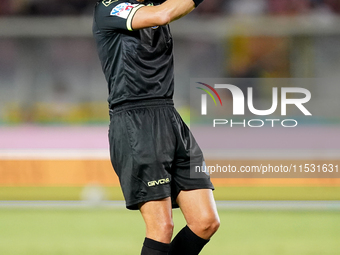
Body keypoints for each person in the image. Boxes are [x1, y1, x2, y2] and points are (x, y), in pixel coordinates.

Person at [92, 0, 220, 254]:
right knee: (162, 228)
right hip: (135, 121)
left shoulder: (149, 4)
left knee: (205, 222)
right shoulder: (109, 8)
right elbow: (163, 14)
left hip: (169, 116)